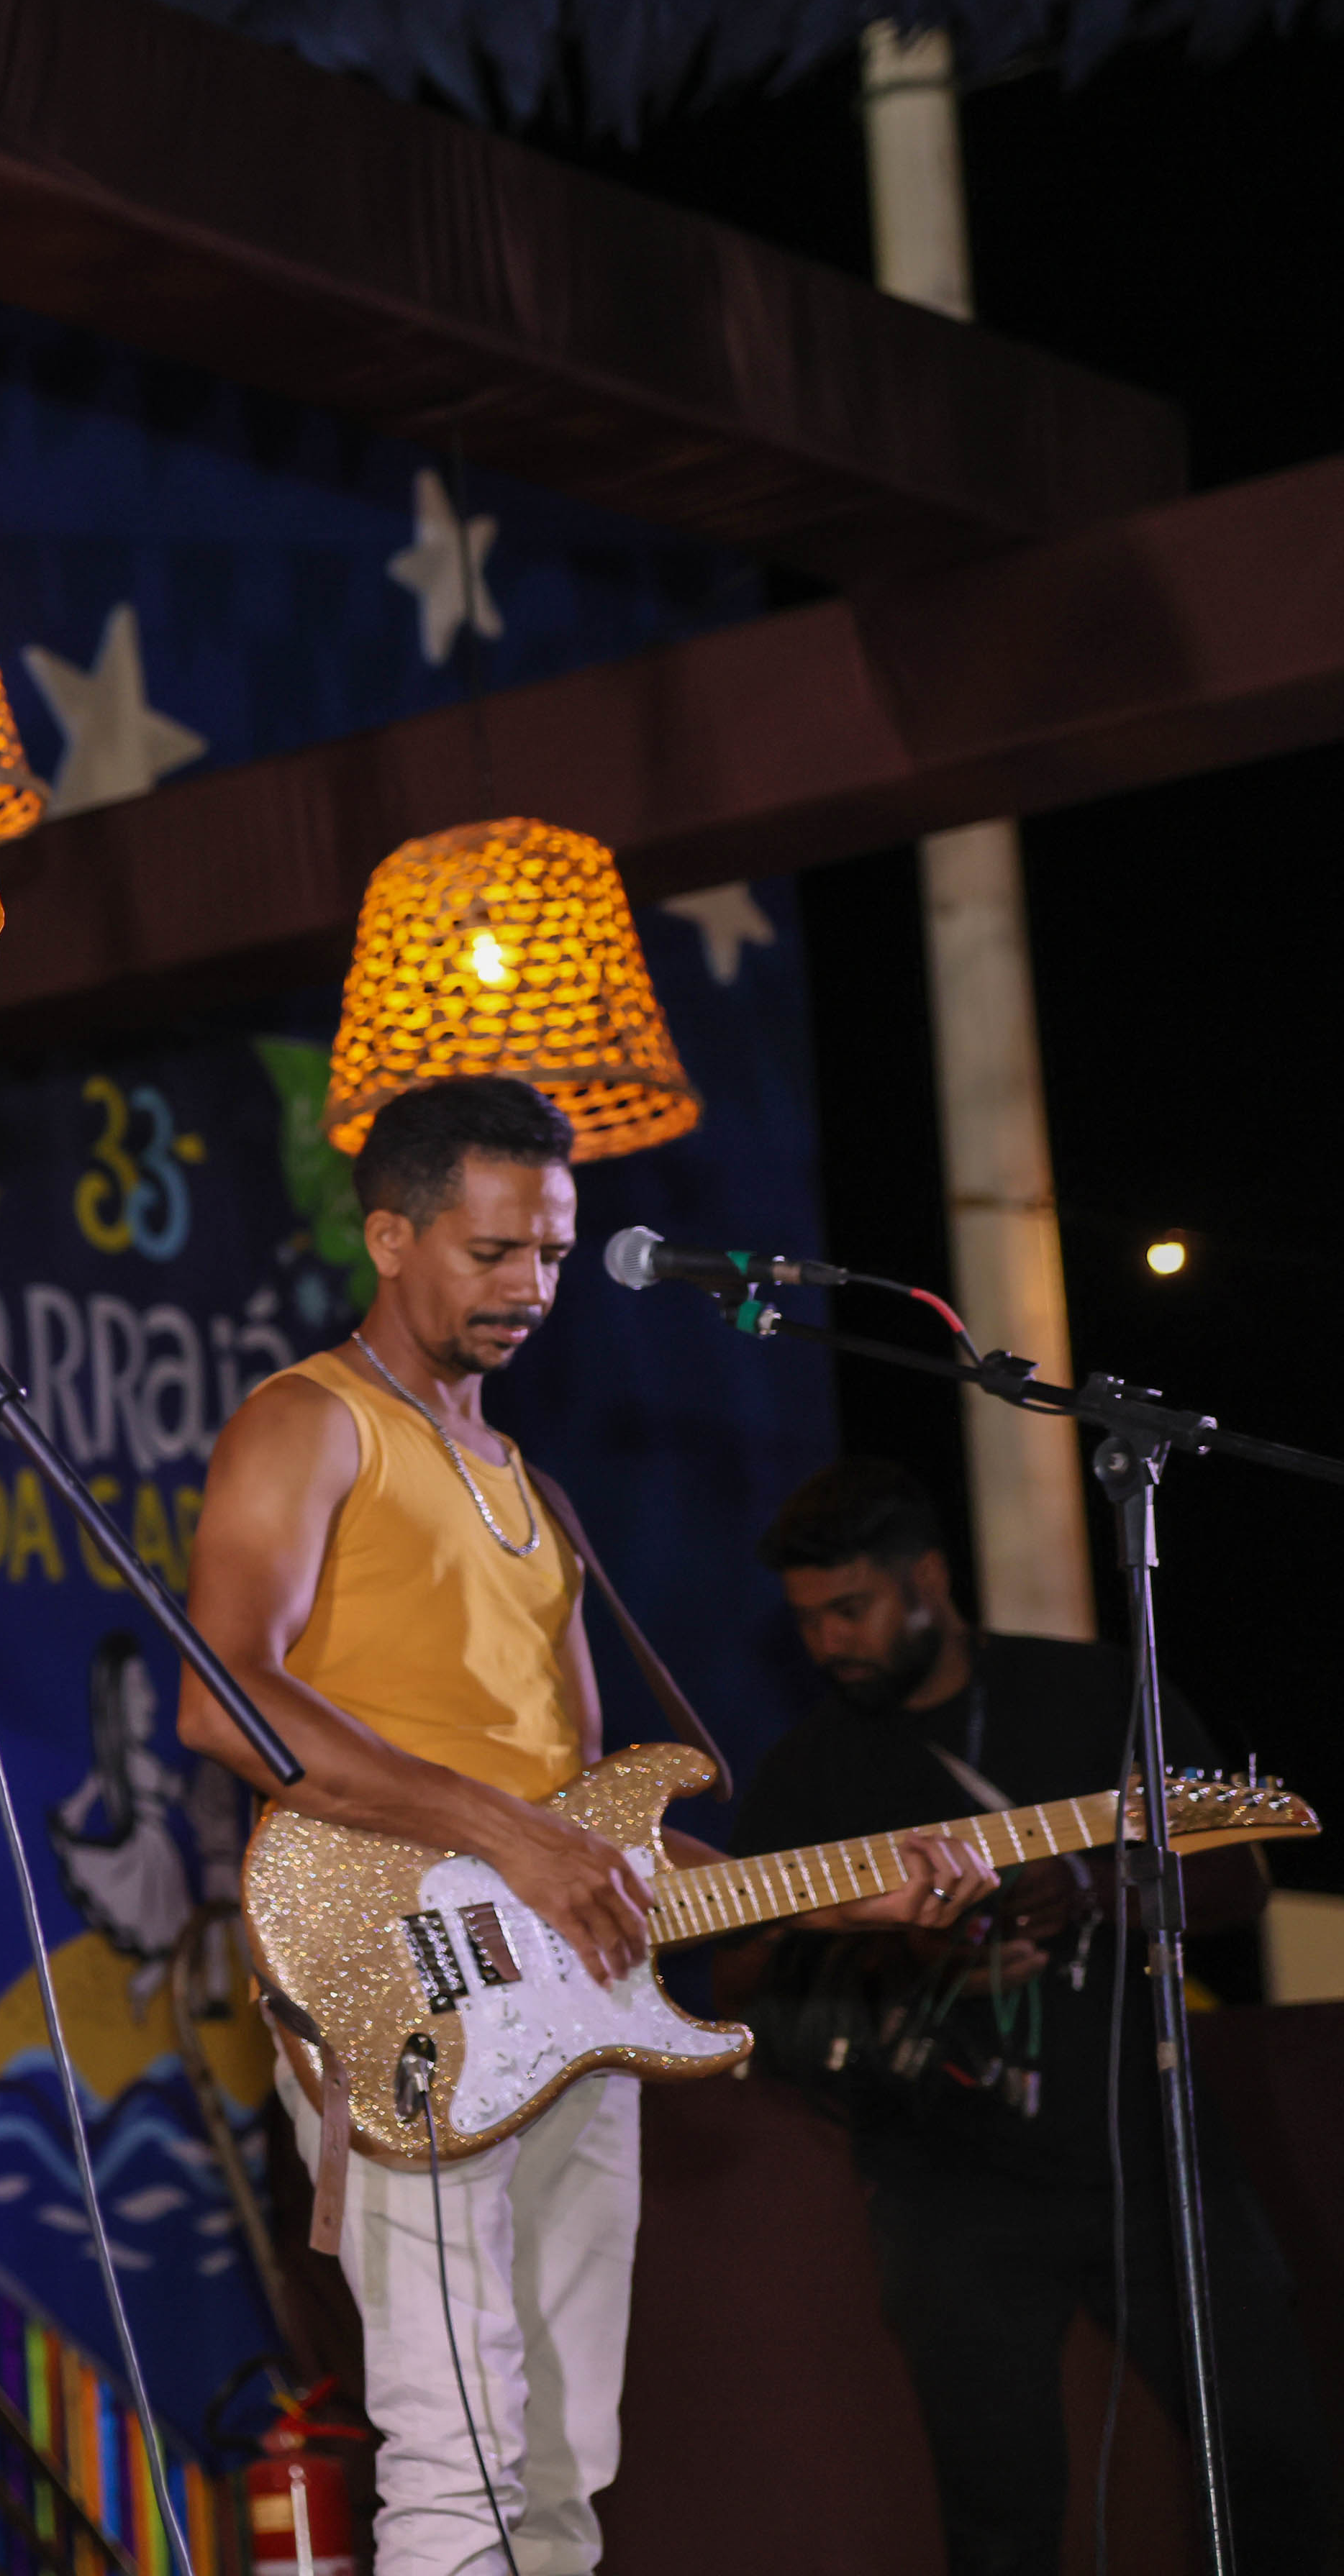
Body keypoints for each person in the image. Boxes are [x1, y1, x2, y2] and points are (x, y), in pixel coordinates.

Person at [177, 1078, 981, 2576]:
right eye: (495, 1252)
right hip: (394, 1976)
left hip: (570, 1994)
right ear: (392, 1234)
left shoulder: (532, 1488)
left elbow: (596, 1829)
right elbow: (228, 1703)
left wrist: (835, 1898)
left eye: (552, 1252)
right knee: (455, 2444)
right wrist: (513, 1837)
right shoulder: (310, 1418)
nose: (532, 1288)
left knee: (561, 2470)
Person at [721, 1460, 1329, 2576]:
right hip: (943, 2179)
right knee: (997, 2513)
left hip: (1151, 2153)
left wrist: (1092, 1887)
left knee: (1274, 2470)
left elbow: (1241, 1884)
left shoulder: (1091, 1693)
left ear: (929, 1580)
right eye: (806, 1621)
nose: (828, 1643)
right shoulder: (808, 1770)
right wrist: (897, 1942)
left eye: (849, 1609)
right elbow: (733, 1978)